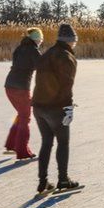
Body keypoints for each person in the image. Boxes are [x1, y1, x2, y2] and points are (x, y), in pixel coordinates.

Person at [32, 24, 80, 193]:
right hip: (55, 108)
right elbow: (67, 85)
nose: (75, 44)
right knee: (63, 142)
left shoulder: (46, 54)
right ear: (70, 41)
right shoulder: (66, 57)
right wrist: (68, 108)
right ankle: (63, 179)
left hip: (38, 106)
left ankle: (43, 182)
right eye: (74, 41)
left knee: (46, 143)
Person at [3, 28, 43, 161]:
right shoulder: (33, 50)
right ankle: (22, 151)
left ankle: (11, 144)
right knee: (25, 117)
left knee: (22, 115)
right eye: (40, 39)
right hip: (21, 88)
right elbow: (42, 66)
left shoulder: (19, 49)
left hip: (9, 86)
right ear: (36, 39)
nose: (41, 42)